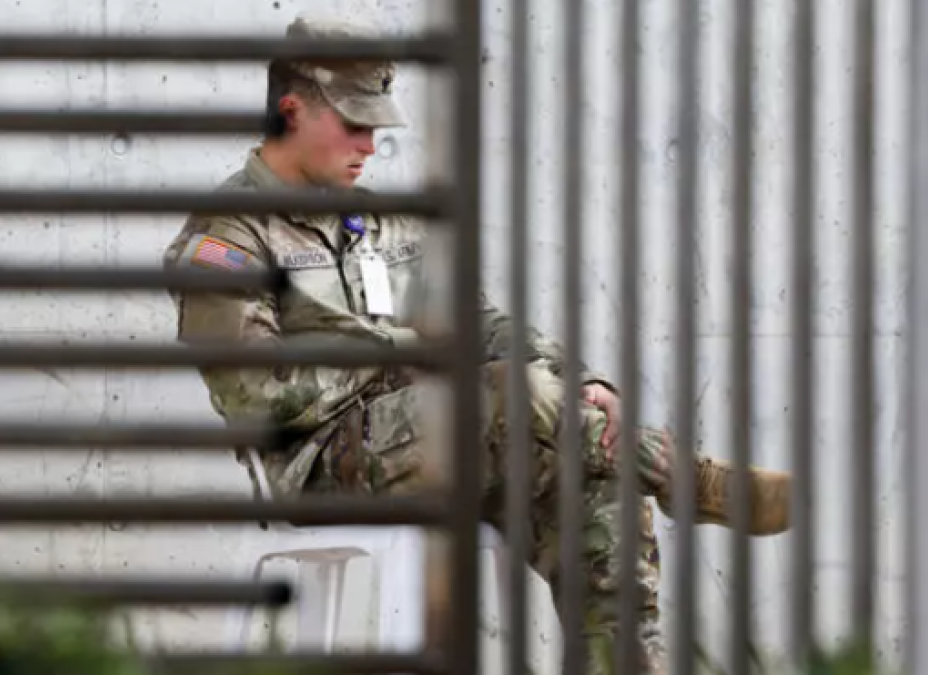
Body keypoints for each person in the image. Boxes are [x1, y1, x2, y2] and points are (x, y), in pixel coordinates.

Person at [162, 13, 792, 674]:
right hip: (320, 466)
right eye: (354, 125)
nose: (371, 145)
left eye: (376, 127)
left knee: (587, 453)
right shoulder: (227, 240)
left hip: (440, 434)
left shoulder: (377, 216)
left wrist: (578, 378)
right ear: (291, 111)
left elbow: (478, 321)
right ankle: (683, 476)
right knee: (504, 394)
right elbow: (258, 399)